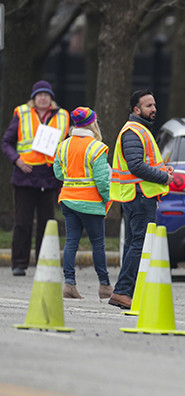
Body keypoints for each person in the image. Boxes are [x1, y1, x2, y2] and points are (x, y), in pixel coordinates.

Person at [108, 90, 173, 309]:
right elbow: (136, 166)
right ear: (136, 110)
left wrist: (163, 169)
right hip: (139, 195)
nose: (154, 109)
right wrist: (164, 176)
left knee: (134, 244)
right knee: (139, 244)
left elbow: (143, 163)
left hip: (138, 194)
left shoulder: (140, 131)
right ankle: (123, 291)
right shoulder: (133, 131)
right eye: (148, 106)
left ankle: (126, 291)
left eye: (154, 105)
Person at [2, 80, 70, 277]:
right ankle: (19, 264)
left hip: (49, 177)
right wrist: (17, 161)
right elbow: (6, 142)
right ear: (33, 98)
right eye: (39, 94)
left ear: (51, 98)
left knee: (47, 222)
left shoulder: (63, 116)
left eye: (46, 95)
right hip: (25, 175)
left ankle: (44, 262)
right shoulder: (22, 114)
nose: (42, 98)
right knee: (22, 222)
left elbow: (67, 144)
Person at [54, 107, 112, 300]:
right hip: (90, 202)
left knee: (71, 243)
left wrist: (72, 179)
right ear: (92, 123)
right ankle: (104, 286)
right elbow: (103, 180)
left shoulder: (64, 145)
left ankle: (69, 284)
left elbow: (58, 172)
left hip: (68, 200)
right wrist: (105, 198)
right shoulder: (97, 147)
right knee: (98, 244)